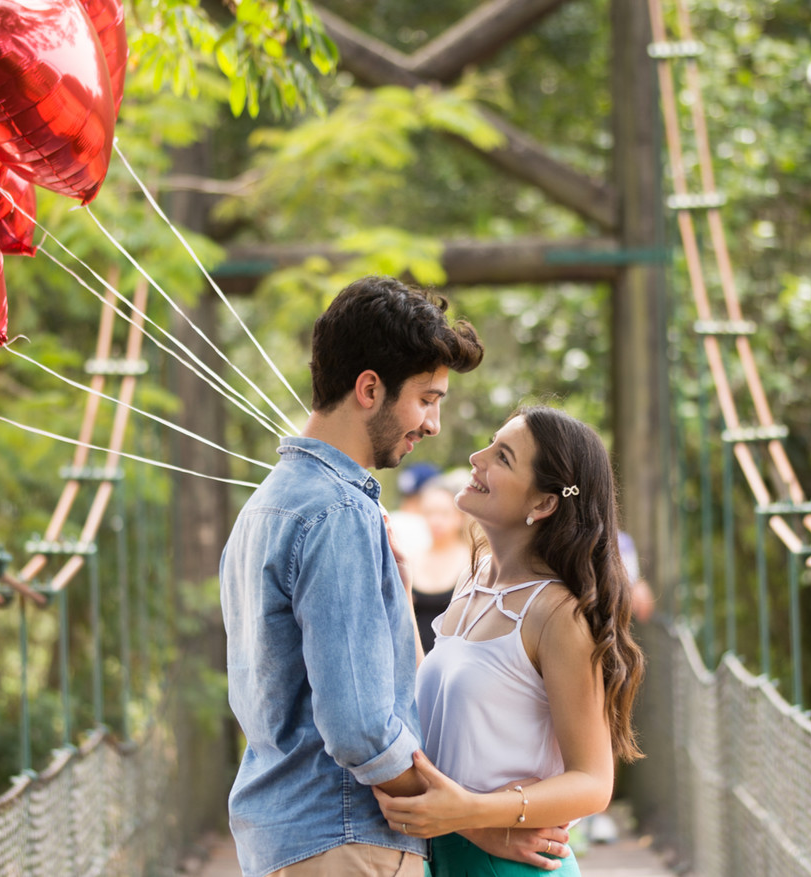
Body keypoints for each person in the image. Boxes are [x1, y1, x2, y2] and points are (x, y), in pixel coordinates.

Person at [223, 276, 565, 877]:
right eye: (427, 398)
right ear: (370, 388)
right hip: (348, 840)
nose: (433, 424)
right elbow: (360, 727)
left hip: (282, 838)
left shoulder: (266, 506)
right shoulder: (340, 510)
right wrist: (475, 822)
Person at [374, 405, 646, 876]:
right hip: (443, 855)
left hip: (510, 865)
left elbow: (594, 782)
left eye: (502, 457)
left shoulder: (556, 614)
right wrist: (401, 594)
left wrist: (473, 814)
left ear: (542, 504)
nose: (477, 458)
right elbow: (433, 707)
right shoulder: (473, 580)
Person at [411, 471, 473, 654]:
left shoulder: (474, 563)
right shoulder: (411, 559)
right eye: (430, 513)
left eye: (444, 514)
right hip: (414, 664)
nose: (435, 521)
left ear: (460, 517)